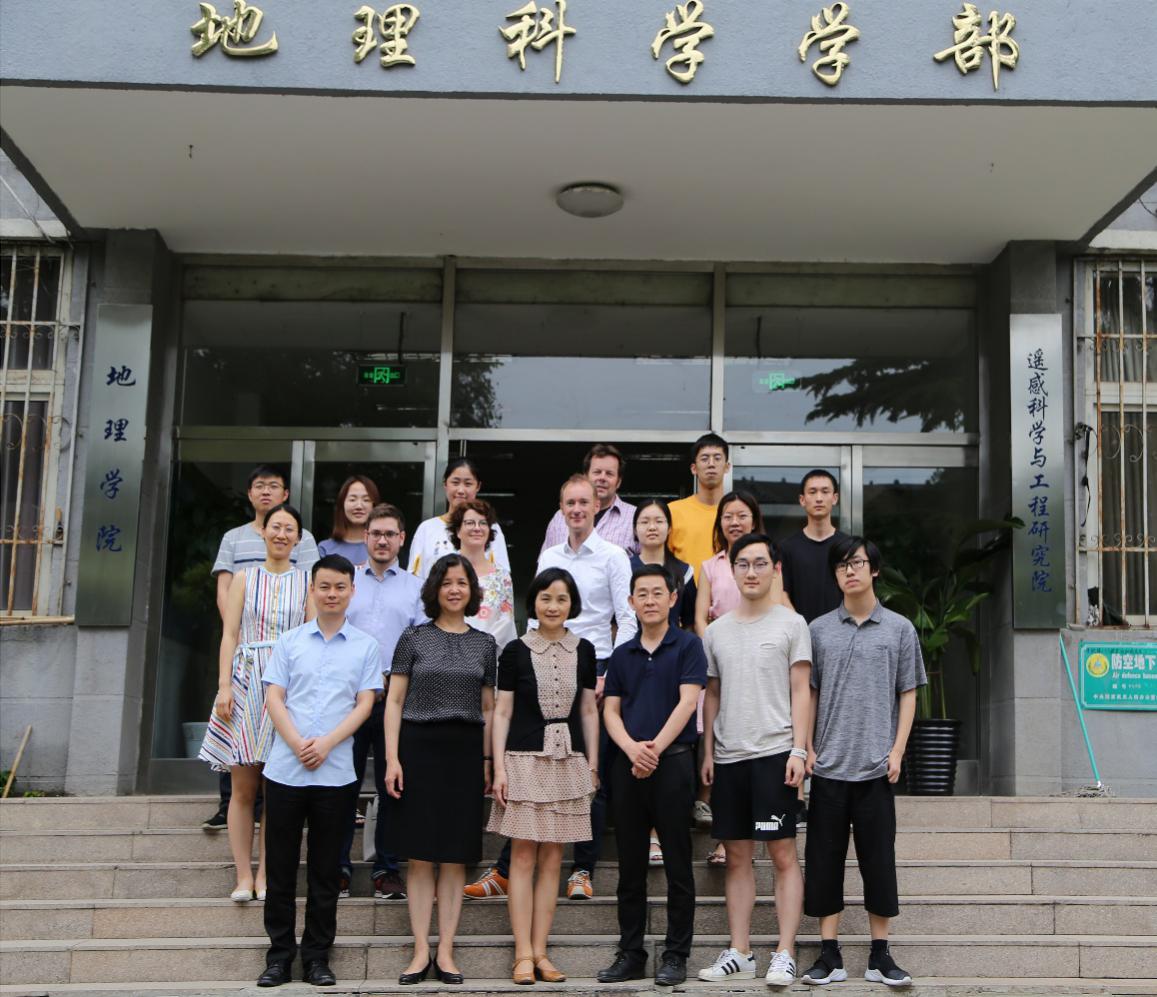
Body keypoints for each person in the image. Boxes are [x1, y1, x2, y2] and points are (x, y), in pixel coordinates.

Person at [467, 475, 635, 903]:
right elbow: (535, 614)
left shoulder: (614, 556)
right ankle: (506, 870)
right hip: (541, 664)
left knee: (587, 773)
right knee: (530, 774)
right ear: (561, 509)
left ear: (596, 506)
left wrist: (610, 674)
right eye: (569, 503)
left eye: (583, 502)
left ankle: (582, 869)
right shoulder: (550, 556)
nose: (577, 510)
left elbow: (626, 617)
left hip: (594, 666)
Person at [801, 537, 925, 989]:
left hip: (876, 767)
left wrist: (897, 750)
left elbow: (908, 692)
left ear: (874, 569)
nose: (849, 571)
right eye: (841, 565)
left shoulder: (899, 629)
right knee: (823, 862)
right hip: (829, 767)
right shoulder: (817, 630)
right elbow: (810, 693)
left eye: (857, 563)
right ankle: (829, 954)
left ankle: (879, 954)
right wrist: (806, 746)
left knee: (879, 862)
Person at [256, 554, 382, 989]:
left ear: (352, 591)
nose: (332, 594)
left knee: (326, 871)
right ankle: (278, 958)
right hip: (285, 770)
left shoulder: (366, 646)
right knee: (280, 869)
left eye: (340, 587)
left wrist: (326, 743)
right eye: (324, 586)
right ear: (312, 590)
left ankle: (316, 958)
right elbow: (274, 697)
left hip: (336, 773)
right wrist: (296, 742)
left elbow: (365, 704)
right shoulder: (289, 641)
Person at [698, 533, 811, 988]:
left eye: (760, 563)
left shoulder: (792, 624)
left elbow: (801, 690)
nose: (751, 572)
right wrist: (708, 752)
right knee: (737, 857)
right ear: (732, 570)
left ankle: (785, 951)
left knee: (783, 854)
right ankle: (740, 950)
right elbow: (712, 693)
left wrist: (799, 749)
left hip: (775, 754)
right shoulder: (716, 631)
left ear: (775, 569)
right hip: (729, 758)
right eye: (742, 563)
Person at [384, 554, 497, 986]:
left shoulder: (486, 644)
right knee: (419, 857)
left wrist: (488, 761)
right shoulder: (413, 638)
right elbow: (394, 701)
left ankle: (446, 950)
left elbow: (489, 708)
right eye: (447, 582)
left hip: (465, 753)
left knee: (454, 857)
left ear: (472, 590)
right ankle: (419, 950)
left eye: (462, 582)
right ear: (435, 589)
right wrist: (392, 759)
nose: (454, 589)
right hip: (418, 750)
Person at [597, 564, 707, 987]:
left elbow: (688, 702)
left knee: (678, 863)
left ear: (673, 597)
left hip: (673, 763)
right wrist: (631, 749)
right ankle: (631, 953)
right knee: (630, 866)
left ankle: (676, 955)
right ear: (630, 602)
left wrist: (654, 749)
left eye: (657, 592)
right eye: (641, 593)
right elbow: (610, 710)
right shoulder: (622, 654)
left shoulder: (689, 645)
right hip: (628, 765)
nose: (649, 600)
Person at [489, 568, 599, 985]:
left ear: (572, 604)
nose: (553, 606)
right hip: (523, 759)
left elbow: (588, 710)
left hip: (568, 760)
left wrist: (592, 765)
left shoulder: (585, 650)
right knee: (522, 856)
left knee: (553, 858)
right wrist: (498, 766)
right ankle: (522, 953)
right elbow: (502, 712)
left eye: (561, 599)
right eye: (545, 598)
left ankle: (541, 951)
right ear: (533, 602)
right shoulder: (515, 651)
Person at [199, 503, 312, 903]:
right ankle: (243, 876)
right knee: (243, 787)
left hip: (287, 687)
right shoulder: (244, 578)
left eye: (289, 529)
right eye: (275, 526)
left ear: (298, 538)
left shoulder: (307, 582)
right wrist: (224, 686)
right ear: (263, 532)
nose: (281, 534)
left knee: (277, 788)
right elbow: (229, 634)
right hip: (246, 682)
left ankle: (266, 874)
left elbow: (310, 639)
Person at [202, 465, 319, 832]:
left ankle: (270, 855)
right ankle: (227, 807)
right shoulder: (235, 540)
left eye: (274, 486)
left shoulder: (303, 555)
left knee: (277, 775)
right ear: (250, 493)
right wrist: (240, 634)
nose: (266, 491)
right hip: (247, 655)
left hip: (286, 667)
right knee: (240, 754)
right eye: (259, 485)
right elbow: (224, 591)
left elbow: (310, 610)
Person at [338, 503, 425, 902]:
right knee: (343, 784)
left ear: (401, 539)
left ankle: (386, 870)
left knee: (393, 785)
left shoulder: (415, 587)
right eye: (376, 533)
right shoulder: (347, 582)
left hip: (395, 700)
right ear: (365, 536)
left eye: (390, 534)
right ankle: (338, 867)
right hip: (348, 700)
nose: (383, 540)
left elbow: (423, 643)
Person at [408, 457, 510, 580]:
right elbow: (414, 579)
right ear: (445, 484)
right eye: (455, 483)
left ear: (478, 486)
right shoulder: (427, 528)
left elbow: (502, 577)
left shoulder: (489, 527)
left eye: (468, 484)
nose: (461, 490)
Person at [540, 443, 638, 556]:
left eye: (609, 474)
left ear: (618, 482)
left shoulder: (635, 517)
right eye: (597, 472)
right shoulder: (560, 517)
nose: (602, 478)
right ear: (585, 477)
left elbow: (647, 561)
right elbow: (545, 562)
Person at [779, 470, 847, 625]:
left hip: (842, 631)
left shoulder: (849, 547)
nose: (819, 498)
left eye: (825, 491)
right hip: (799, 631)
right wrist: (799, 625)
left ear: (835, 498)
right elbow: (782, 592)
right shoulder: (786, 547)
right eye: (812, 492)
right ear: (802, 500)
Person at [449, 499, 517, 651]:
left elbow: (506, 622)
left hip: (489, 656)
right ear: (458, 530)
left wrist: (479, 649)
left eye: (483, 523)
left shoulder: (502, 576)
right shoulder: (444, 571)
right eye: (470, 523)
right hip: (448, 654)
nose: (477, 528)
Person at [694, 490, 764, 637]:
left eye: (742, 516)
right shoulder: (709, 567)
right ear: (720, 523)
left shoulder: (768, 563)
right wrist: (710, 646)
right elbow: (700, 619)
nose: (734, 522)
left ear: (754, 523)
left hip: (760, 638)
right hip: (719, 641)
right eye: (728, 517)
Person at [667, 433, 730, 584]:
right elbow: (662, 559)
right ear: (694, 468)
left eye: (717, 458)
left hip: (727, 595)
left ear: (727, 467)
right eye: (704, 458)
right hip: (684, 594)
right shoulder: (673, 511)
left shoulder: (737, 513)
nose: (711, 464)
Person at [630, 499, 696, 631]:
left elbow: (689, 622)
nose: (652, 527)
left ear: (669, 528)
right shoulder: (623, 568)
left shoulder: (684, 571)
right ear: (635, 530)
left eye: (659, 521)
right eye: (644, 522)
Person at [318, 475, 380, 563]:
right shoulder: (325, 548)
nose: (359, 506)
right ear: (342, 505)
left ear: (374, 506)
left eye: (366, 500)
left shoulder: (383, 547)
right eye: (352, 499)